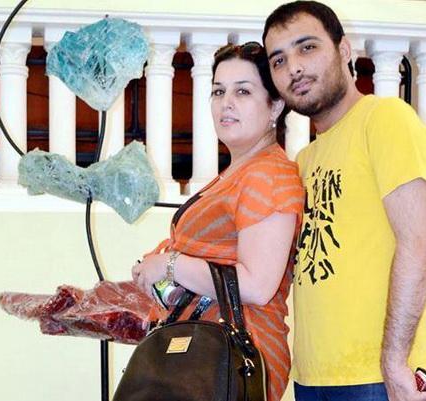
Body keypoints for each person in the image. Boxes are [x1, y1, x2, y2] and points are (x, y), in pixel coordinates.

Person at [262, 2, 426, 401]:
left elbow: (419, 244)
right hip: (312, 378)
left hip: (377, 376)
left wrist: (394, 362)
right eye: (279, 60)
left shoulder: (386, 118)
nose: (294, 68)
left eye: (307, 47)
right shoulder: (304, 160)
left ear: (343, 50)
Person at [130, 41, 304, 401]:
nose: (226, 103)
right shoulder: (237, 172)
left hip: (231, 359)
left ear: (275, 105)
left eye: (243, 91)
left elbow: (257, 285)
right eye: (218, 91)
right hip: (202, 354)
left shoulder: (269, 174)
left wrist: (171, 264)